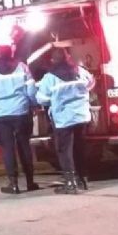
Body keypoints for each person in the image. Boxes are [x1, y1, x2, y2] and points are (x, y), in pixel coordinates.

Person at [0, 45, 39, 194]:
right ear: (11, 53)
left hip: (1, 115)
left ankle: (13, 183)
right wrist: (32, 103)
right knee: (24, 146)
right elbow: (31, 90)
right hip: (21, 112)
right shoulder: (22, 67)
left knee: (8, 149)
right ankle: (30, 181)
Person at [36, 48, 96, 194]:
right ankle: (83, 180)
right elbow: (91, 84)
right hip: (81, 116)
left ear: (53, 60)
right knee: (79, 148)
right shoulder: (80, 71)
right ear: (67, 57)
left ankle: (70, 183)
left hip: (63, 119)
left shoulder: (50, 77)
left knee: (65, 150)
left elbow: (42, 98)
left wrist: (56, 99)